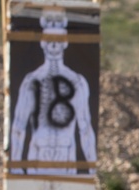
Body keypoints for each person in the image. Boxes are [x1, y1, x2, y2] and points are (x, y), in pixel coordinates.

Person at [10, 9, 96, 175]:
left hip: (66, 154)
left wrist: (91, 167)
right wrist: (15, 163)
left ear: (65, 42)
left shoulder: (77, 82)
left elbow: (85, 127)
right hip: (38, 154)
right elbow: (19, 124)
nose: (54, 45)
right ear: (43, 42)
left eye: (58, 40)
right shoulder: (31, 81)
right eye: (50, 40)